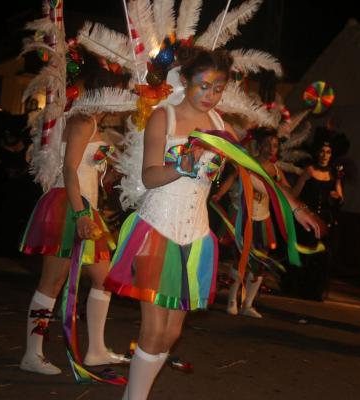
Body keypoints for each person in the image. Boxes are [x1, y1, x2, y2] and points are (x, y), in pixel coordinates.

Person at [105, 46, 322, 400]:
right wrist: (181, 167)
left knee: (172, 334)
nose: (210, 95)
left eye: (218, 88)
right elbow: (149, 175)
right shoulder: (165, 117)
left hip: (196, 235)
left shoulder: (220, 126)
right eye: (203, 86)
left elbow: (255, 171)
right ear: (186, 81)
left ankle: (135, 390)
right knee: (154, 328)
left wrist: (295, 207)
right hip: (158, 229)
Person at [19, 62, 125, 374]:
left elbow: (88, 168)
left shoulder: (90, 122)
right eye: (115, 91)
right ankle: (32, 354)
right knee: (52, 281)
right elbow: (68, 170)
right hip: (70, 205)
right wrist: (80, 213)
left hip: (83, 205)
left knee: (105, 279)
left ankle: (95, 350)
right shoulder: (82, 121)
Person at [212, 128, 291, 318]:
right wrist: (220, 194)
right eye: (268, 145)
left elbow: (289, 193)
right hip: (242, 216)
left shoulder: (276, 170)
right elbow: (232, 178)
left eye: (275, 146)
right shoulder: (247, 162)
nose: (272, 149)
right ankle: (232, 301)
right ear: (259, 145)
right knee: (240, 258)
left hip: (262, 219)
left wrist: (300, 187)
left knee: (260, 261)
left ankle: (248, 304)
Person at [291, 139, 343, 301]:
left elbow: (340, 197)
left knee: (321, 257)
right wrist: (304, 179)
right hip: (308, 219)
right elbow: (294, 195)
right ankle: (299, 287)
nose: (324, 155)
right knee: (305, 253)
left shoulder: (334, 174)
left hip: (325, 220)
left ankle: (315, 290)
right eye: (322, 151)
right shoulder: (309, 171)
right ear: (316, 153)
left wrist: (337, 197)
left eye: (328, 152)